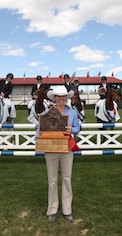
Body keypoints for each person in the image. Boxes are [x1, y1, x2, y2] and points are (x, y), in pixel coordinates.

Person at [42, 86, 81, 222]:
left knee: (66, 178)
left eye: (63, 96)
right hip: (51, 149)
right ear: (55, 98)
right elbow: (39, 128)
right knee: (52, 181)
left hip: (67, 148)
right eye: (59, 96)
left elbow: (78, 127)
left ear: (66, 98)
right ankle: (52, 209)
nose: (61, 99)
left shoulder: (73, 112)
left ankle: (67, 210)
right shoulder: (48, 112)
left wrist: (72, 130)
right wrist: (40, 136)